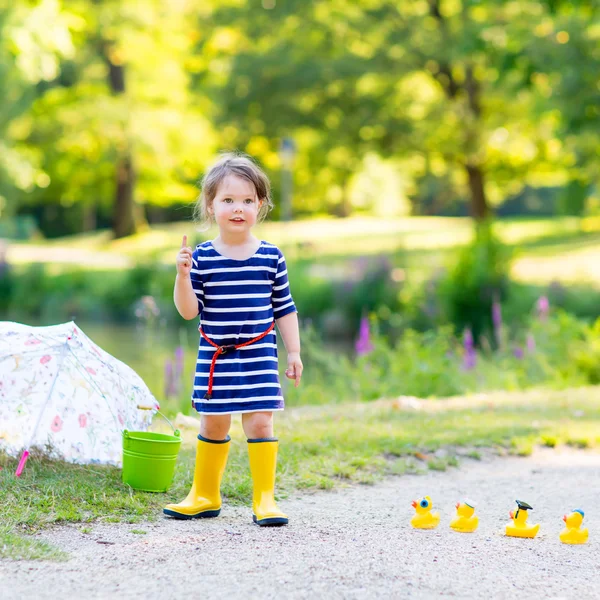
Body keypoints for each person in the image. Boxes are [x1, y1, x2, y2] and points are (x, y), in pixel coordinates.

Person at [164, 152, 302, 526]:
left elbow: (284, 308)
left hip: (258, 356)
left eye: (246, 200)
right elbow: (189, 311)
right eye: (228, 200)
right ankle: (205, 495)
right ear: (211, 206)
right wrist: (181, 275)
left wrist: (294, 352)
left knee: (259, 423)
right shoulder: (203, 257)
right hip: (216, 358)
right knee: (213, 424)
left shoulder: (271, 256)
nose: (237, 208)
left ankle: (265, 499)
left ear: (260, 205)